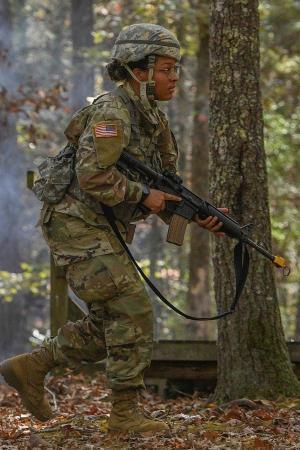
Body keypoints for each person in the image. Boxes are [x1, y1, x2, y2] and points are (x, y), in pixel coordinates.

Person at [0, 23, 225, 434]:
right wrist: (144, 197)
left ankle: (31, 367)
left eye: (177, 69)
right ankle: (124, 418)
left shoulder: (151, 118)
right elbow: (92, 177)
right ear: (138, 70)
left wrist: (199, 215)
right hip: (76, 225)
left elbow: (163, 189)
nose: (175, 77)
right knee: (132, 308)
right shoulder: (112, 112)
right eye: (166, 68)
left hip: (99, 226)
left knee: (111, 320)